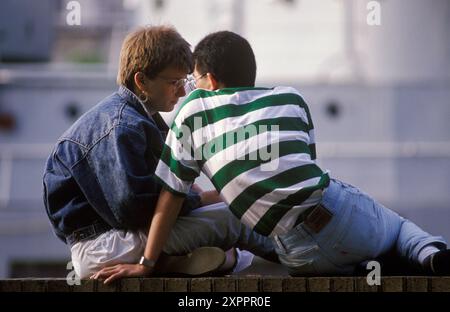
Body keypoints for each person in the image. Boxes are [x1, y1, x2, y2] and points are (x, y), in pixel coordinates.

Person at [92, 30, 449, 283]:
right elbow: (299, 168)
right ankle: (429, 254)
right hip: (338, 217)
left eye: (194, 78)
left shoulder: (194, 110)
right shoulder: (290, 98)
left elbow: (171, 193)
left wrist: (146, 262)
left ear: (211, 80)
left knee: (244, 226)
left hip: (296, 255)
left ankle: (365, 263)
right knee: (399, 226)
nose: (189, 87)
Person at [43, 26, 276, 280]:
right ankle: (302, 255)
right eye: (173, 82)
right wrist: (209, 199)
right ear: (141, 81)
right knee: (236, 221)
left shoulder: (143, 117)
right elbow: (134, 208)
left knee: (234, 250)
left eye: (185, 81)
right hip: (102, 247)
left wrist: (218, 195)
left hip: (118, 240)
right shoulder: (121, 126)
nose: (183, 92)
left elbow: (172, 188)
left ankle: (171, 263)